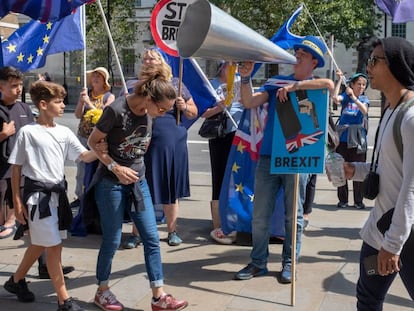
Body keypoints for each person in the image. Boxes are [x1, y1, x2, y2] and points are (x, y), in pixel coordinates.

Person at [87, 63, 188, 311]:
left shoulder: (149, 113)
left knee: (152, 239)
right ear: (150, 99)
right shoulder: (117, 110)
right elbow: (93, 141)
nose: (163, 114)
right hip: (111, 184)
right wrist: (114, 167)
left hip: (138, 182)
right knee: (111, 240)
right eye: (162, 109)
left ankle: (158, 296)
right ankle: (102, 290)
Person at [234, 36, 334, 283]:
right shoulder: (274, 82)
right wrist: (245, 78)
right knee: (259, 215)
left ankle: (290, 263)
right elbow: (248, 102)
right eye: (297, 51)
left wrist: (296, 88)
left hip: (297, 160)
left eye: (303, 52)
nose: (297, 54)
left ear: (314, 61)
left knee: (294, 215)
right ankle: (258, 262)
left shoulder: (315, 84)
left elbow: (330, 84)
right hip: (269, 157)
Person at [3, 80, 99, 310]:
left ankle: (15, 281)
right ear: (43, 104)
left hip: (58, 196)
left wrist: (104, 148)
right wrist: (17, 201)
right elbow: (16, 167)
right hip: (38, 198)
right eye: (58, 101)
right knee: (54, 247)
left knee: (40, 243)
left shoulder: (64, 132)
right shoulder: (28, 132)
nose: (63, 104)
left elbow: (84, 156)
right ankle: (64, 300)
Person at [342, 37, 414, 310]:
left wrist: (393, 244)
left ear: (396, 65)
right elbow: (386, 169)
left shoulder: (411, 118)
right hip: (378, 230)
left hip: (404, 235)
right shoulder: (390, 110)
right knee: (368, 297)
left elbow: (411, 187)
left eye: (374, 60)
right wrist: (355, 171)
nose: (367, 67)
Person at [123, 48, 198, 248]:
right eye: (145, 57)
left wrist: (184, 107)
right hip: (141, 138)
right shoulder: (134, 84)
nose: (148, 60)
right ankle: (136, 233)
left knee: (169, 185)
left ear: (162, 61)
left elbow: (193, 112)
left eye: (153, 57)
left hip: (169, 140)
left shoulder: (176, 84)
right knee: (139, 185)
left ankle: (172, 231)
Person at [201, 61, 242, 244]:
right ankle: (218, 222)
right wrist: (221, 106)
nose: (234, 69)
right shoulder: (211, 84)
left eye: (236, 65)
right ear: (222, 67)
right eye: (230, 65)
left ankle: (235, 219)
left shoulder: (241, 82)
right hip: (219, 135)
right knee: (219, 177)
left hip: (238, 136)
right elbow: (203, 113)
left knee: (236, 177)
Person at [72, 67, 115, 207]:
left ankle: (93, 197)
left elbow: (104, 115)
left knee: (96, 168)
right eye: (94, 76)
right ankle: (80, 196)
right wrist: (81, 102)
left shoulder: (109, 97)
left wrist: (89, 104)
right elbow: (78, 115)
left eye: (99, 76)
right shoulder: (87, 94)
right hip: (83, 136)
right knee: (81, 167)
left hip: (98, 138)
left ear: (104, 81)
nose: (95, 78)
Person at [0, 66, 33, 240]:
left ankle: (16, 224)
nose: (19, 89)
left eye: (20, 84)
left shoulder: (25, 109)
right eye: (13, 85)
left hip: (21, 166)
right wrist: (3, 135)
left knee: (19, 199)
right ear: (1, 87)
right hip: (2, 167)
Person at [332, 70, 369, 209]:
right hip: (342, 138)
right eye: (358, 84)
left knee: (358, 169)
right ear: (352, 84)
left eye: (364, 84)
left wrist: (354, 97)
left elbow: (364, 111)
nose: (361, 86)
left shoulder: (364, 99)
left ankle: (358, 201)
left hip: (358, 139)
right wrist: (339, 81)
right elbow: (335, 98)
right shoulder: (345, 97)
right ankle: (343, 200)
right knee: (341, 168)